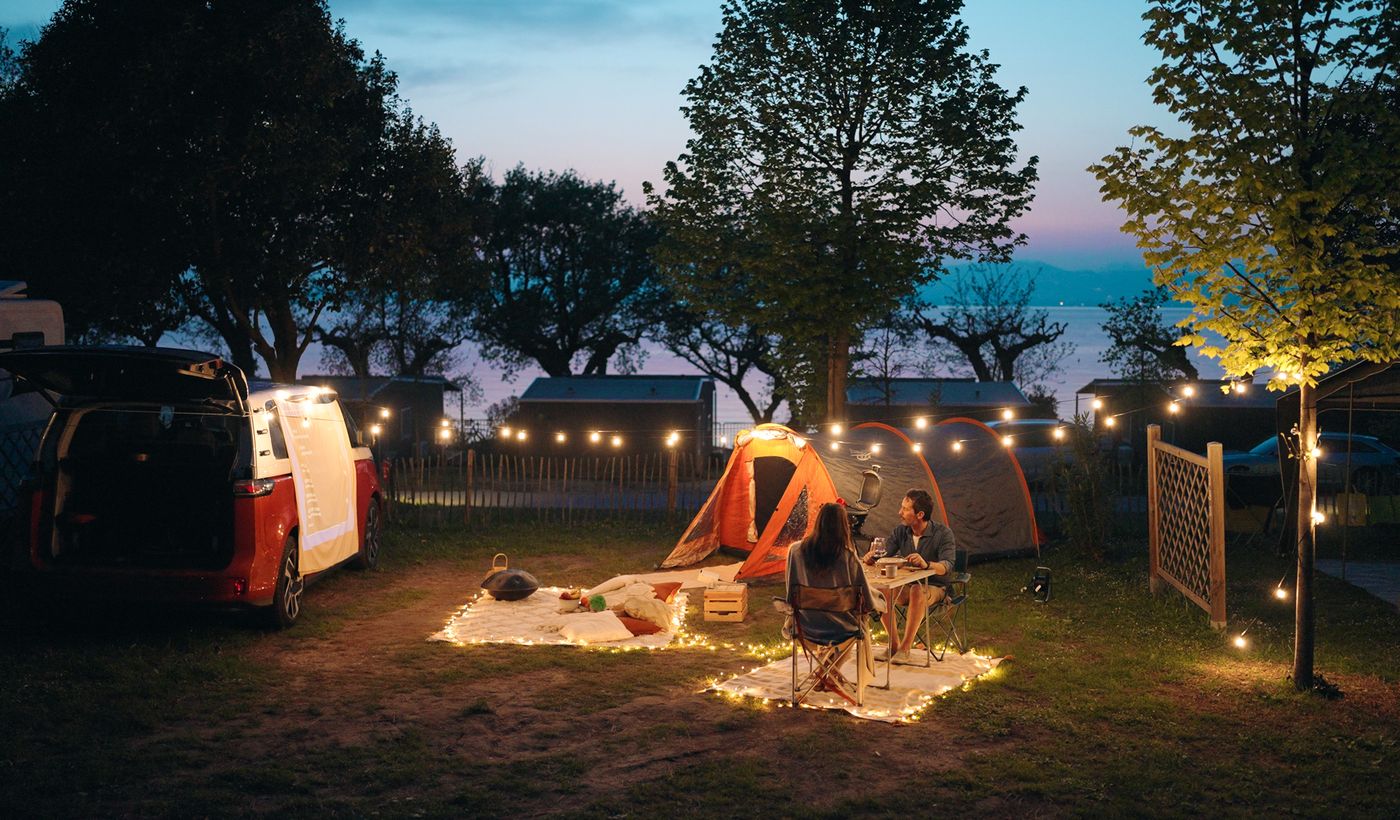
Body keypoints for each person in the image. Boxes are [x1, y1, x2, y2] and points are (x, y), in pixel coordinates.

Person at [861, 488, 956, 663]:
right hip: (908, 585)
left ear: (920, 514)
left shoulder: (943, 533)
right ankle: (894, 646)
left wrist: (927, 564)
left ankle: (905, 649)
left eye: (905, 509)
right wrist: (871, 558)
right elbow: (883, 555)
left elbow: (947, 566)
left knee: (917, 591)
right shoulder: (901, 532)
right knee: (884, 591)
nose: (900, 512)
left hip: (937, 588)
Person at [785, 502, 884, 646]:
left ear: (818, 522)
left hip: (804, 625)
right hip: (841, 628)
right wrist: (880, 599)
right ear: (843, 526)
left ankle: (826, 668)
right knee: (862, 620)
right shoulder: (847, 556)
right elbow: (866, 599)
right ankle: (829, 668)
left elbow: (790, 591)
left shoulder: (795, 551)